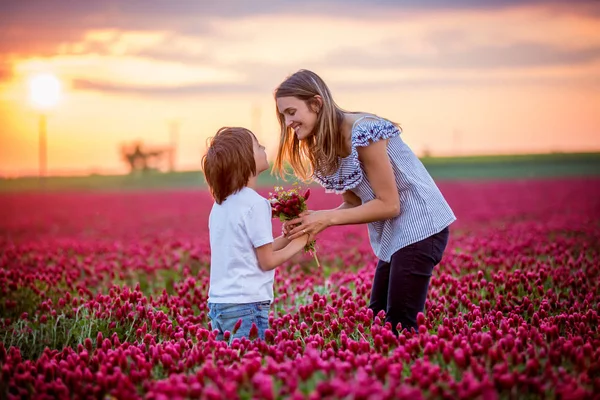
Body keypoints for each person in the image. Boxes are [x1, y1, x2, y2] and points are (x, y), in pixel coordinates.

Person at [274, 70, 456, 334]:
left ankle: (412, 369)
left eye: (292, 111)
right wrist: (315, 217)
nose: (288, 121)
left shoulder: (364, 131)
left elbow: (389, 204)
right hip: (394, 234)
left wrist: (325, 219)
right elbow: (352, 203)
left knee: (399, 325)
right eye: (283, 116)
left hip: (421, 225)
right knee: (378, 316)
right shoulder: (326, 144)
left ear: (316, 103)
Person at [202, 127, 309, 342]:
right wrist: (302, 240)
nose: (264, 148)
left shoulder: (220, 206)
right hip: (247, 305)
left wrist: (289, 237)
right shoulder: (255, 204)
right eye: (258, 146)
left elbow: (251, 253)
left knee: (227, 368)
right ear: (244, 159)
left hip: (219, 305)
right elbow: (267, 261)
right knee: (248, 368)